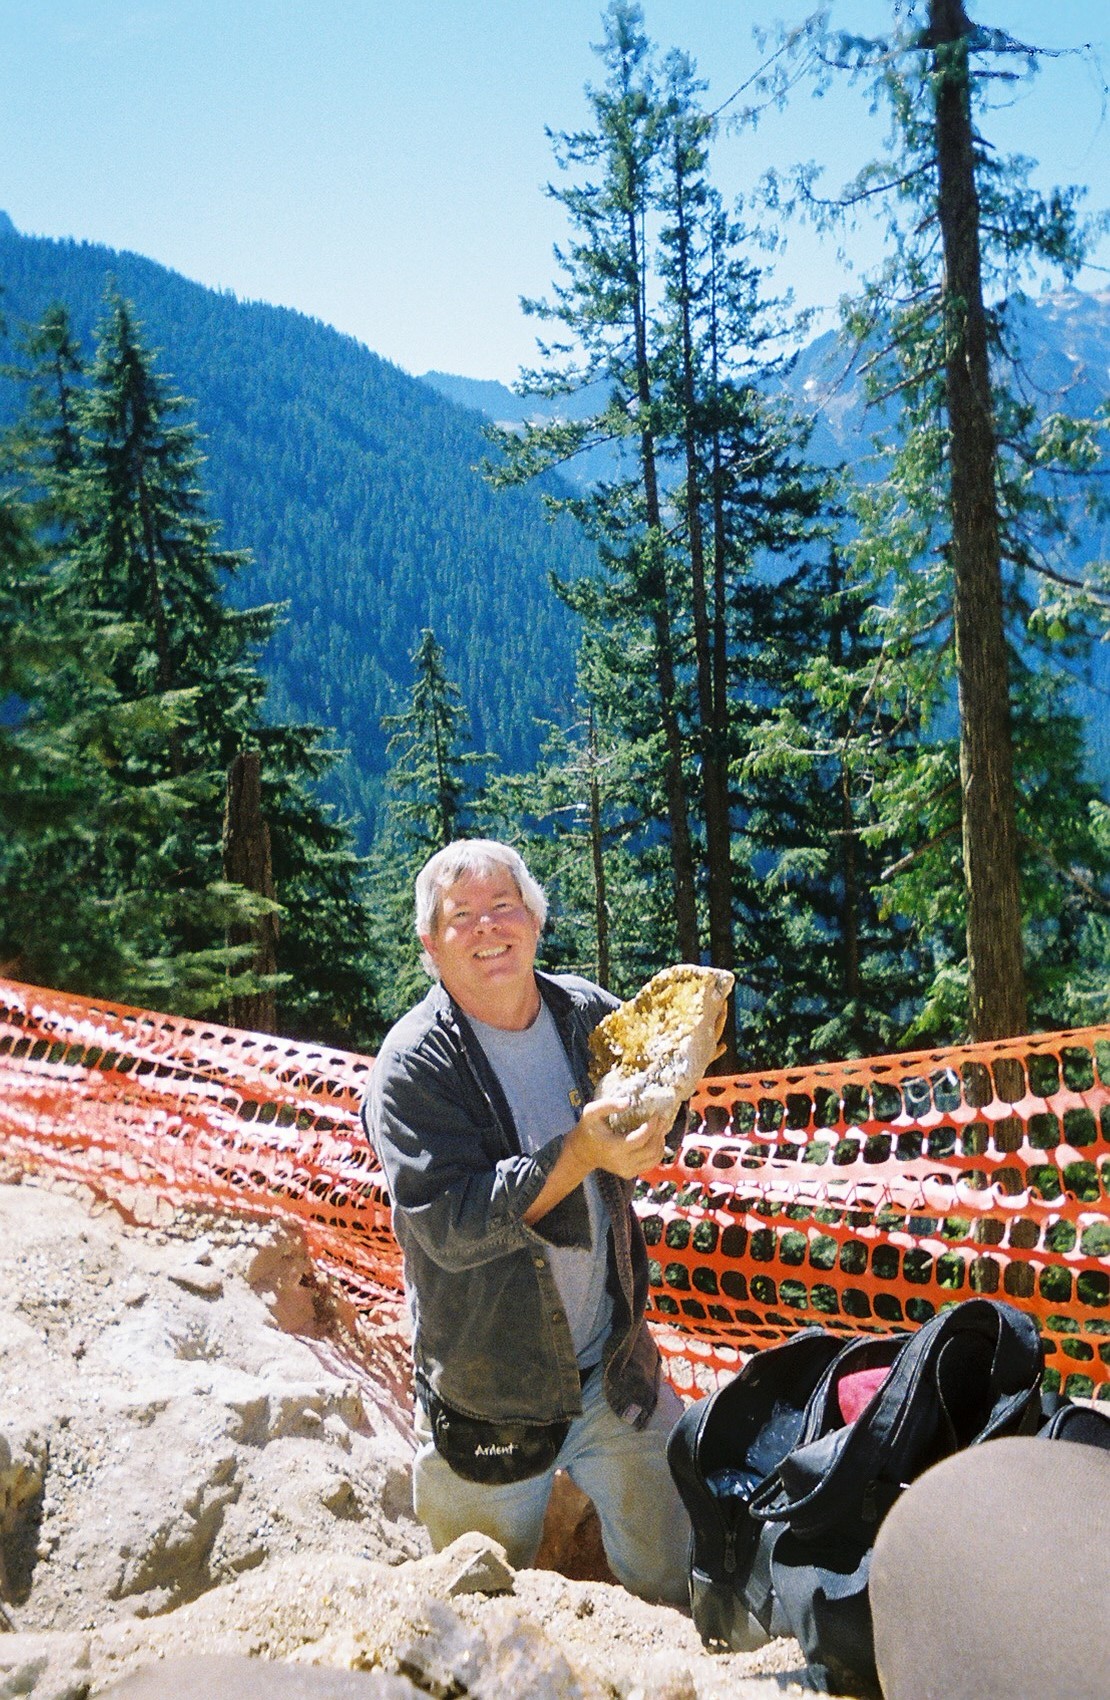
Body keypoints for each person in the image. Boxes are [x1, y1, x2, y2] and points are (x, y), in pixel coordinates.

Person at [364, 838, 691, 1605]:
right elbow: (450, 1224)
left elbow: (666, 1097)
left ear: (535, 922)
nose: (488, 928)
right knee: (481, 1602)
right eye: (463, 916)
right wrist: (580, 1151)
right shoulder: (412, 1067)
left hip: (616, 1370)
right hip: (488, 1398)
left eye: (503, 906)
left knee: (678, 1573)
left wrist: (659, 1133)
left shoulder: (589, 1015)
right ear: (430, 943)